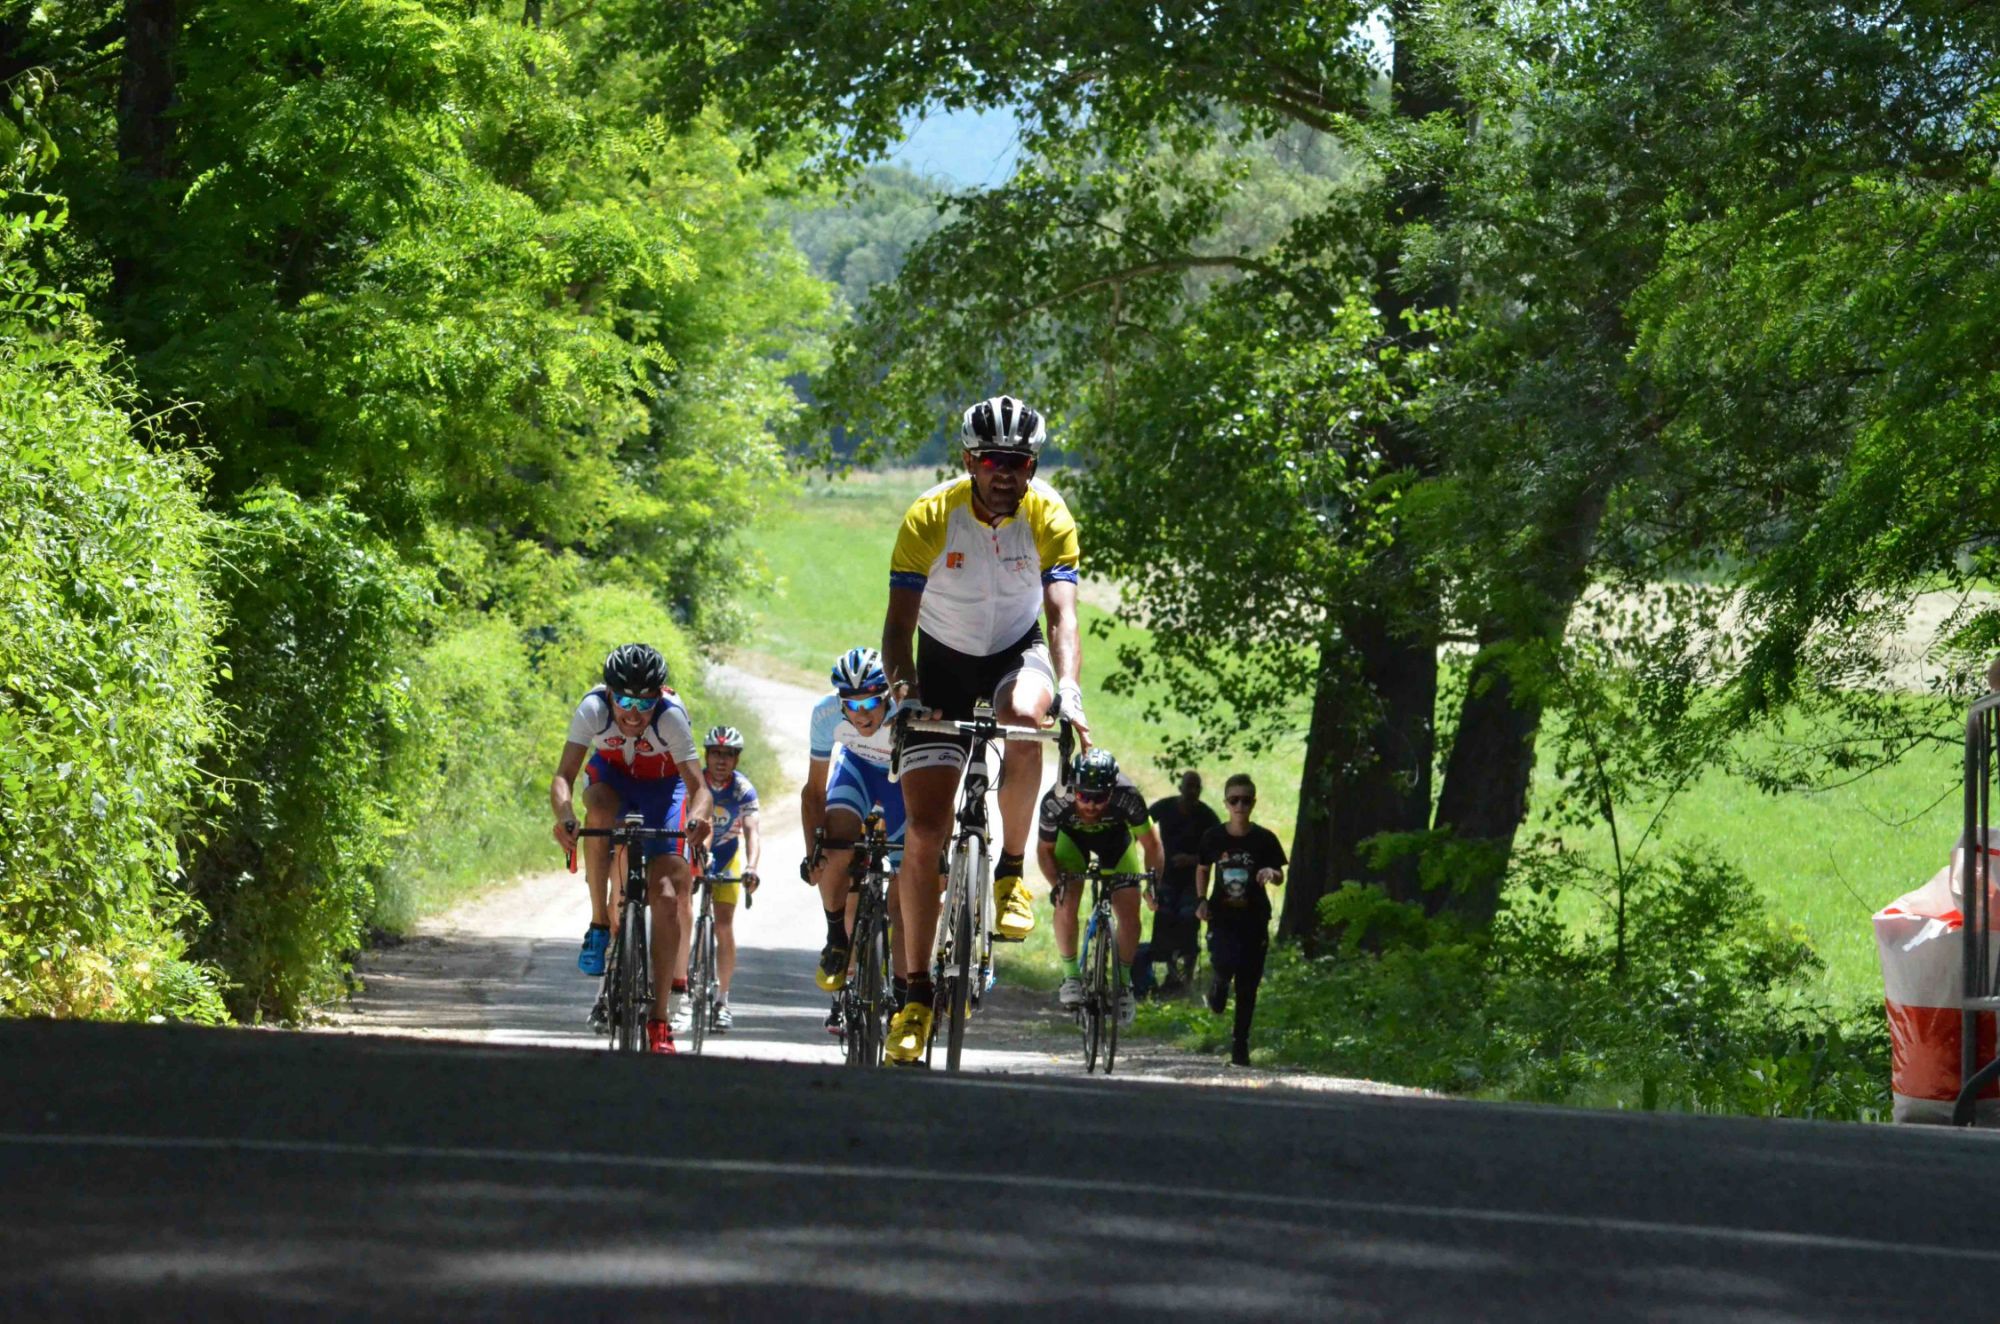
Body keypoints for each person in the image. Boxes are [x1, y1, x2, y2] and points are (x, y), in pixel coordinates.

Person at [881, 394, 1090, 1064]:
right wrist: (906, 695)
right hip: (939, 663)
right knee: (923, 833)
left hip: (1014, 652)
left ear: (1033, 466)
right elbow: (898, 627)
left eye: (1020, 462)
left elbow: (1062, 615)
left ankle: (1010, 872)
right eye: (994, 461)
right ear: (970, 461)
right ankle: (916, 996)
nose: (1007, 473)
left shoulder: (1047, 513)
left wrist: (1070, 689)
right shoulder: (931, 515)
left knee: (1027, 719)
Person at [550, 643, 713, 1055]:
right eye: (624, 701)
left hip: (664, 789)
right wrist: (565, 815)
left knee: (668, 895)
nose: (634, 714)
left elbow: (699, 789)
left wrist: (698, 818)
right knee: (598, 809)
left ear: (659, 696)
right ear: (609, 694)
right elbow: (564, 776)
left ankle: (659, 1019)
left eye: (645, 702)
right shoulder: (592, 709)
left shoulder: (670, 717)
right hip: (613, 781)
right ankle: (598, 924)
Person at [801, 646, 905, 1035]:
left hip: (900, 779)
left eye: (871, 703)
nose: (861, 714)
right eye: (852, 704)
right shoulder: (826, 714)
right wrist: (813, 852)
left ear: (888, 696)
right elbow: (813, 792)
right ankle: (836, 939)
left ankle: (903, 979)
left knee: (910, 875)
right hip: (857, 770)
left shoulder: (907, 710)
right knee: (834, 848)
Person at [1036, 748, 1163, 1026]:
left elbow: (1152, 844)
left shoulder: (1128, 796)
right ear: (1074, 788)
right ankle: (1071, 976)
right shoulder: (1056, 798)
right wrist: (1056, 884)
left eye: (1100, 798)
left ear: (1112, 791)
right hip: (1072, 841)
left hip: (1116, 842)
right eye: (1084, 797)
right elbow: (1045, 850)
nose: (1092, 805)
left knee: (1129, 912)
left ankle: (1124, 985)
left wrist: (1153, 885)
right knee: (1067, 898)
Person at [670, 725, 760, 1034]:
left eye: (729, 755)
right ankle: (680, 983)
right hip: (695, 850)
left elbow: (752, 831)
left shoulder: (743, 789)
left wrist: (752, 867)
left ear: (737, 759)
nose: (722, 760)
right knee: (681, 911)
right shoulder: (693, 783)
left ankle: (722, 1000)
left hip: (726, 854)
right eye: (716, 753)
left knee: (723, 925)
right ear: (706, 756)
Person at [1196, 773, 1285, 1068]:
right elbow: (1202, 868)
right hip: (1221, 916)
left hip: (1254, 918)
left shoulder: (1264, 839)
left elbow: (1280, 875)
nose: (1240, 806)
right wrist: (1201, 900)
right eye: (1234, 800)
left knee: (1248, 984)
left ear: (1253, 803)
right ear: (1226, 803)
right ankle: (1219, 984)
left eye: (1246, 800)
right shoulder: (1213, 837)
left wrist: (1271, 873)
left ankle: (1240, 1045)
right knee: (1223, 962)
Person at [1147, 770, 1219, 994]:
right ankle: (1170, 975)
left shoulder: (1207, 816)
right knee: (1165, 920)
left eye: (1197, 788)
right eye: (1189, 787)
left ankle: (1186, 976)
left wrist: (1192, 859)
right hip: (1166, 877)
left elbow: (1218, 850)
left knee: (1189, 922)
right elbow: (1142, 824)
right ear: (1180, 788)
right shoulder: (1165, 807)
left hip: (1193, 881)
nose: (1193, 792)